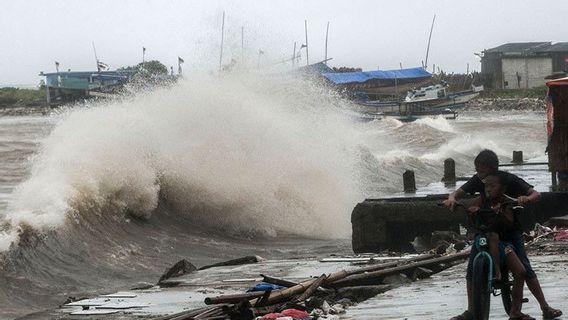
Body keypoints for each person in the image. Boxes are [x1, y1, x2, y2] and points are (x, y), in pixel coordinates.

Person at [445, 149, 562, 320]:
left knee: (524, 267)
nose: (480, 177)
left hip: (509, 231)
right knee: (471, 269)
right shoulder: (479, 180)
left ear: (493, 169)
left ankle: (545, 307)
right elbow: (457, 193)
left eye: (482, 171)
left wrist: (526, 199)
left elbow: (535, 194)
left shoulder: (509, 180)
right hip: (488, 229)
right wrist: (452, 199)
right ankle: (471, 310)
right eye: (478, 172)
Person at [468, 173, 528, 319]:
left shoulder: (506, 202)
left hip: (502, 243)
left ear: (502, 189)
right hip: (483, 240)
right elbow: (471, 211)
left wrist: (500, 212)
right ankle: (495, 273)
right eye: (486, 186)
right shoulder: (481, 200)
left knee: (520, 272)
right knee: (471, 270)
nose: (488, 189)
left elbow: (509, 221)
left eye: (492, 186)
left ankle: (515, 310)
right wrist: (472, 211)